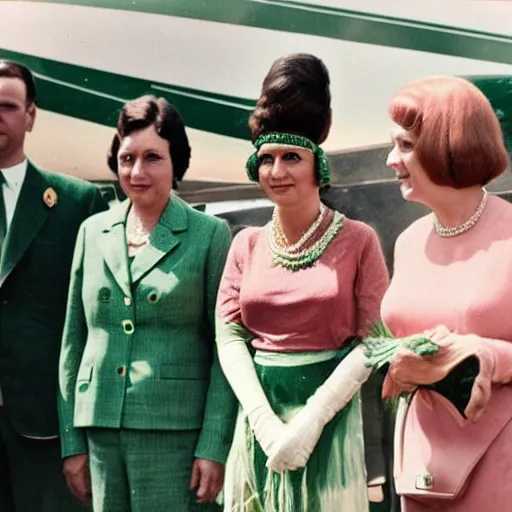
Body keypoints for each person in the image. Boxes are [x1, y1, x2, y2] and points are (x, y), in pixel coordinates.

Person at [215, 53, 390, 512]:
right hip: (259, 423)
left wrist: (309, 424)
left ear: (319, 165)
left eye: (291, 157)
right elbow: (229, 333)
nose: (276, 171)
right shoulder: (245, 245)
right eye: (266, 159)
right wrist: (265, 424)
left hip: (328, 427)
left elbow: (374, 341)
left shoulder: (359, 241)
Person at [58, 94, 238, 512]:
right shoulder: (92, 231)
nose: (137, 172)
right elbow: (73, 342)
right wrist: (72, 442)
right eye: (127, 158)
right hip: (100, 432)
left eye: (153, 157)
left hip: (176, 436)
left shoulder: (209, 235)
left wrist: (213, 445)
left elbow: (224, 350)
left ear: (177, 162)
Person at [380, 75, 512, 511]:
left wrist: (483, 354)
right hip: (423, 465)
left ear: (446, 142)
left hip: (500, 463)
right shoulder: (408, 240)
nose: (389, 159)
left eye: (405, 146)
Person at [0, 60, 107, 512]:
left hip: (43, 429)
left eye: (7, 106)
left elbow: (93, 325)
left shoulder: (75, 203)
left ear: (30, 116)